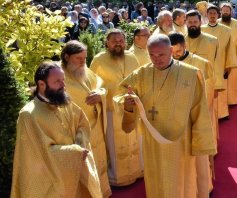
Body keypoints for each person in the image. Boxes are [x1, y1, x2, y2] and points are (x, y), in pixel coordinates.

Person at [120, 34, 216, 197]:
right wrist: (128, 105)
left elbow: (200, 111)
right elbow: (121, 93)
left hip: (181, 143)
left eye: (161, 54)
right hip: (152, 142)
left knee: (180, 183)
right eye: (152, 55)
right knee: (156, 181)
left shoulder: (191, 74)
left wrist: (200, 144)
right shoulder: (140, 74)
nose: (156, 59)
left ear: (171, 50)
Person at [11, 62, 101, 197]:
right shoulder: (28, 115)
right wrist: (74, 152)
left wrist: (80, 144)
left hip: (75, 172)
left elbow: (82, 123)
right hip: (51, 183)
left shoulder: (64, 101)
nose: (63, 85)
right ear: (41, 84)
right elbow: (37, 154)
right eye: (57, 81)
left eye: (63, 80)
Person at [89, 29, 142, 186]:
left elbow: (138, 78)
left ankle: (136, 169)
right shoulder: (99, 60)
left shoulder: (132, 57)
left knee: (135, 138)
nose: (118, 43)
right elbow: (92, 83)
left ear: (125, 42)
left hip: (131, 105)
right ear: (107, 43)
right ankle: (117, 176)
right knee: (114, 141)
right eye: (114, 41)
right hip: (111, 107)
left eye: (121, 40)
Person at [61, 41, 111, 197]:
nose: (83, 62)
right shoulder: (57, 75)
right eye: (78, 58)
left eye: (85, 57)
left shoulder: (85, 70)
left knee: (99, 164)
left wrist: (100, 94)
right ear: (66, 57)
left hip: (95, 127)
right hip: (75, 131)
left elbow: (100, 83)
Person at [169, 32, 215, 193]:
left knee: (198, 158)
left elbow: (208, 93)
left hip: (196, 119)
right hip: (175, 122)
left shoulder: (201, 64)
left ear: (185, 46)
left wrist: (197, 116)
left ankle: (203, 188)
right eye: (172, 53)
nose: (175, 56)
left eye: (178, 52)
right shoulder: (166, 66)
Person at [201, 5, 235, 119]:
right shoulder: (201, 30)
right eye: (210, 13)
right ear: (207, 14)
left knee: (221, 88)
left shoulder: (226, 30)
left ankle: (222, 113)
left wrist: (228, 66)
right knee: (207, 89)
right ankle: (207, 113)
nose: (212, 15)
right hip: (205, 65)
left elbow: (230, 50)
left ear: (218, 14)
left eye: (214, 13)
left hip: (221, 64)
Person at [219, 3, 237, 105]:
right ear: (221, 11)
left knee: (233, 79)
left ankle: (233, 99)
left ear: (231, 12)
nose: (226, 12)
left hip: (234, 56)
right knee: (221, 78)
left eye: (227, 10)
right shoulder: (216, 23)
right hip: (220, 57)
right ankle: (221, 100)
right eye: (224, 10)